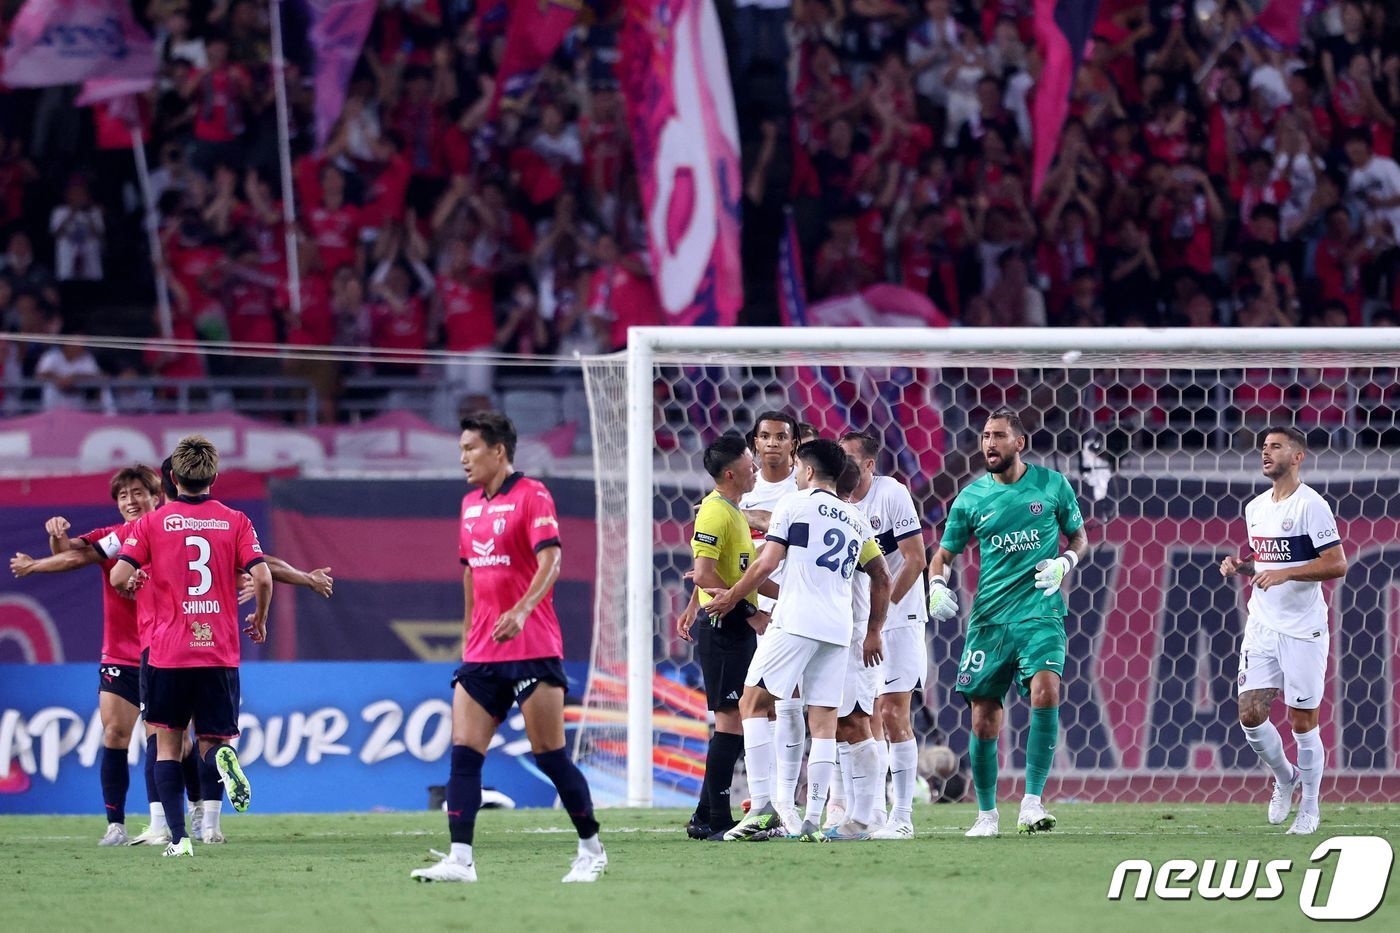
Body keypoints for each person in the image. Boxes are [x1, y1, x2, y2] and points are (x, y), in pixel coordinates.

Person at [413, 412, 605, 883]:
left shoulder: (532, 494)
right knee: (464, 753)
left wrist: (520, 610)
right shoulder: (469, 505)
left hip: (533, 646)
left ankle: (591, 850)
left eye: (470, 449)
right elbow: (469, 573)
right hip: (482, 653)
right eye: (460, 450)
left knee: (549, 753)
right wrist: (467, 633)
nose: (463, 458)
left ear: (498, 451)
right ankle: (461, 859)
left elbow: (553, 558)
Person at [707, 439, 891, 842]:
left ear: (807, 471)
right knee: (823, 723)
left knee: (751, 702)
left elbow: (767, 562)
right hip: (838, 629)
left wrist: (733, 595)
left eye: (797, 468)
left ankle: (760, 809)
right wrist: (874, 629)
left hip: (795, 620)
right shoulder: (856, 518)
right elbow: (882, 576)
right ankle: (812, 820)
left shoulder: (794, 505)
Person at [927, 408, 1089, 838]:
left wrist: (1065, 562)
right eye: (984, 436)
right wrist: (937, 586)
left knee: (1047, 688)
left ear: (1020, 442)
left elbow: (1079, 536)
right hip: (989, 620)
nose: (989, 444)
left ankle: (1032, 803)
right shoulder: (970, 499)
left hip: (1041, 611)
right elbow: (943, 554)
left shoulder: (1052, 485)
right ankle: (986, 815)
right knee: (983, 718)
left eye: (998, 436)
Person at [111, 435, 271, 858]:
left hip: (167, 651)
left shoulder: (153, 522)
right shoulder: (235, 520)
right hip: (218, 650)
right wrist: (260, 616)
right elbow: (264, 576)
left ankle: (179, 839)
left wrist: (134, 578)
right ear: (213, 475)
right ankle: (212, 825)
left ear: (172, 479)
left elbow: (117, 576)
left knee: (167, 743)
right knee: (213, 741)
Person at [8, 465, 161, 845]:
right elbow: (75, 554)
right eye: (123, 495)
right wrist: (56, 540)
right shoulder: (114, 539)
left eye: (138, 492)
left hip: (165, 651)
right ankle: (116, 825)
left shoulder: (172, 536)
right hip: (121, 655)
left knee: (171, 740)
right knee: (114, 732)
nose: (131, 501)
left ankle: (186, 812)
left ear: (157, 496)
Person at [1220, 426, 1347, 836]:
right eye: (1263, 446)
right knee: (1250, 716)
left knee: (1301, 721)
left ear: (1297, 457)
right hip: (1262, 625)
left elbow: (1336, 564)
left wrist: (1286, 572)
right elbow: (1266, 560)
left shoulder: (1313, 506)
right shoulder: (1255, 507)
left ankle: (1309, 807)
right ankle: (1286, 776)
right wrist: (1242, 567)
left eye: (1275, 446)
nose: (1265, 452)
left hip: (1302, 630)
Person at [677, 434, 768, 840]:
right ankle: (716, 819)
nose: (756, 469)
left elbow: (740, 576)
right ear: (730, 473)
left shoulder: (733, 511)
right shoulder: (715, 513)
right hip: (725, 627)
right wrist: (751, 615)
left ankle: (705, 814)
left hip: (728, 622)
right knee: (731, 720)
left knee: (738, 719)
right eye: (751, 464)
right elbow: (705, 574)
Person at [839, 431, 929, 840]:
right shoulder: (837, 502)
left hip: (899, 615)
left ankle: (903, 817)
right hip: (858, 622)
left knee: (893, 712)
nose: (843, 466)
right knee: (864, 714)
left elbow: (916, 560)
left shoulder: (892, 495)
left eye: (851, 459)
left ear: (870, 464)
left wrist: (883, 612)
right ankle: (872, 812)